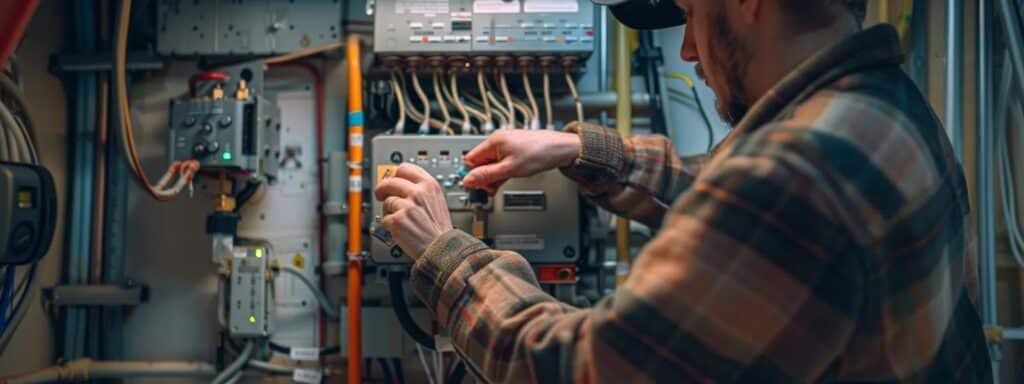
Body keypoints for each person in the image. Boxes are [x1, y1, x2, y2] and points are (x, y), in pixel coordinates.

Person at [374, 0, 993, 382]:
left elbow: (584, 372)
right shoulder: (885, 108)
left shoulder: (791, 177)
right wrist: (580, 151)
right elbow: (720, 189)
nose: (690, 48)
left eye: (693, 14)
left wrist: (447, 256)